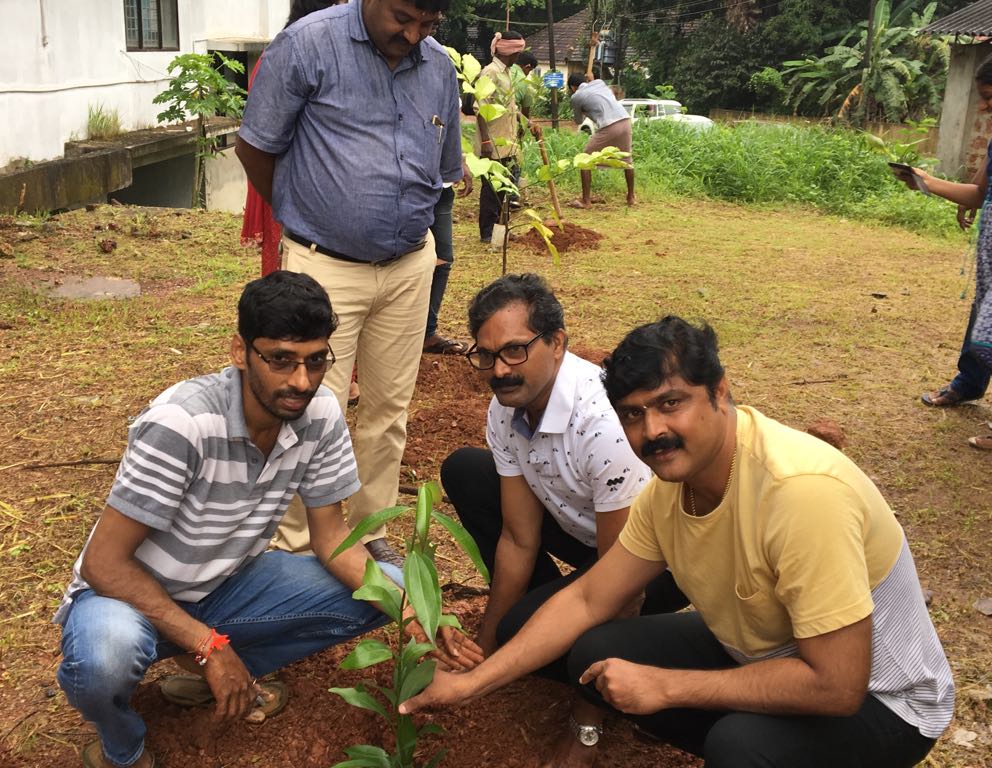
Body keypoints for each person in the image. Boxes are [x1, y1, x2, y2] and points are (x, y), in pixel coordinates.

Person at [405, 316, 955, 768]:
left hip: (884, 702)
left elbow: (837, 686)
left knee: (740, 746)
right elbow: (588, 598)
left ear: (720, 391)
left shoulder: (800, 493)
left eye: (671, 403)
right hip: (762, 649)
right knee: (595, 649)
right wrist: (473, 683)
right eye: (633, 414)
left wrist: (669, 687)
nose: (652, 432)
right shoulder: (670, 487)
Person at [53, 272, 480, 768]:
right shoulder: (183, 423)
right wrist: (208, 645)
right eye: (281, 359)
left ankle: (218, 674)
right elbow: (104, 564)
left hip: (227, 584)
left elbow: (332, 537)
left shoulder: (317, 413)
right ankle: (122, 745)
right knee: (105, 659)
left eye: (316, 360)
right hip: (129, 596)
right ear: (241, 352)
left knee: (386, 585)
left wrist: (415, 616)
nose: (301, 381)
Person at [235, 0, 463, 563]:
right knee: (309, 407)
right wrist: (302, 214)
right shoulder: (308, 45)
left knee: (389, 408)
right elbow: (255, 145)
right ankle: (294, 546)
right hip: (324, 265)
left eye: (428, 25)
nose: (412, 35)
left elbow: (444, 171)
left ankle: (370, 528)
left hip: (409, 265)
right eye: (403, 18)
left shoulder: (438, 69)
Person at [441, 274, 687, 767]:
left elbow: (624, 585)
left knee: (548, 636)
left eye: (514, 350)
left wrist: (585, 724)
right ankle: (545, 618)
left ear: (556, 342)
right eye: (486, 355)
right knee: (467, 471)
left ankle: (617, 677)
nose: (499, 370)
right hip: (591, 532)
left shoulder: (604, 423)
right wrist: (485, 652)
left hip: (657, 558)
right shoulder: (505, 408)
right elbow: (517, 536)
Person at [892, 57, 992, 448]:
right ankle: (968, 385)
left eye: (988, 97)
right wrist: (927, 183)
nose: (984, 107)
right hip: (989, 251)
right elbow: (979, 193)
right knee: (982, 318)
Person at [240, 0, 335, 278]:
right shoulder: (289, 55)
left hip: (314, 190)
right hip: (294, 182)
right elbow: (255, 141)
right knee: (289, 274)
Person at [475, 30, 526, 243]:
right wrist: (486, 141)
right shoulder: (490, 73)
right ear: (509, 52)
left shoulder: (506, 73)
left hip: (508, 142)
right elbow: (480, 108)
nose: (518, 57)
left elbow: (508, 107)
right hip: (493, 142)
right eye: (517, 52)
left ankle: (500, 232)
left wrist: (524, 123)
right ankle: (487, 233)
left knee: (505, 189)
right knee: (492, 190)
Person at [424, 165, 473, 356]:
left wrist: (458, 161)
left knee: (442, 259)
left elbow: (449, 134)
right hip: (410, 187)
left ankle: (427, 332)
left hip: (441, 186)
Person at [567, 73, 635, 208]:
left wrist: (584, 111)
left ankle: (586, 201)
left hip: (609, 125)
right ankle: (631, 197)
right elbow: (594, 85)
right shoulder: (600, 83)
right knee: (627, 160)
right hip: (625, 121)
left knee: (584, 160)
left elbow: (578, 121)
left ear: (573, 87)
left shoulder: (576, 96)